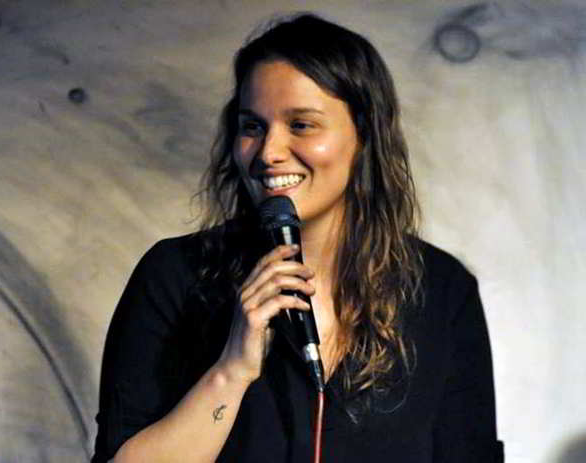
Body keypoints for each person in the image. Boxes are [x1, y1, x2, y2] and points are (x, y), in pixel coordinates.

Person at [92, 13, 503, 463]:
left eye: (301, 125)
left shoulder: (441, 289)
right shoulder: (175, 274)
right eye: (252, 127)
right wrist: (232, 370)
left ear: (364, 135)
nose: (269, 152)